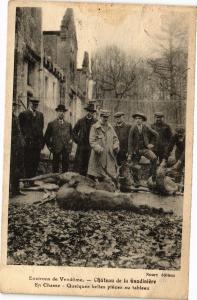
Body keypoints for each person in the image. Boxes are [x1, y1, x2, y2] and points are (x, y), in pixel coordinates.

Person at [87, 110, 119, 181]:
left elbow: (115, 139)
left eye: (107, 117)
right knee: (95, 175)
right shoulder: (94, 127)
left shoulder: (110, 127)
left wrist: (115, 146)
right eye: (104, 117)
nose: (106, 119)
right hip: (98, 156)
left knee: (108, 175)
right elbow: (92, 141)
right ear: (100, 116)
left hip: (109, 155)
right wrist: (98, 148)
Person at [128, 112, 158, 184]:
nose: (138, 120)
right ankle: (136, 181)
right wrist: (130, 154)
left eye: (139, 119)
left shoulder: (146, 127)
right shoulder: (132, 128)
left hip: (145, 149)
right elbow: (130, 142)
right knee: (134, 165)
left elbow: (156, 135)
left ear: (142, 120)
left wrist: (151, 144)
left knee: (154, 158)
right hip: (136, 151)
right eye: (136, 119)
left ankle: (152, 178)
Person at [19, 97, 44, 178]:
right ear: (30, 103)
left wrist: (41, 143)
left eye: (36, 104)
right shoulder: (24, 114)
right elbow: (20, 129)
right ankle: (27, 179)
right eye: (33, 104)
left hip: (37, 145)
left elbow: (41, 130)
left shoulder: (40, 115)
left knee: (35, 162)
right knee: (27, 161)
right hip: (28, 143)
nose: (35, 105)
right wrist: (23, 140)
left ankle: (32, 180)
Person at [44, 104, 72, 173]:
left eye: (63, 111)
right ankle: (55, 181)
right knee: (55, 166)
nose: (61, 113)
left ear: (64, 113)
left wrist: (70, 144)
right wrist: (50, 147)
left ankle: (64, 180)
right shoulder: (52, 124)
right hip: (56, 148)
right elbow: (46, 137)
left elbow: (71, 135)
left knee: (65, 166)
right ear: (57, 112)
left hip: (65, 148)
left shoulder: (68, 125)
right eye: (60, 111)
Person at [72, 102, 97, 176]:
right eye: (89, 111)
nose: (90, 113)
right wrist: (78, 140)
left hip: (90, 147)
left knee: (89, 165)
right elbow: (74, 132)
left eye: (92, 112)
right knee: (80, 165)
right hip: (81, 146)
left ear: (93, 113)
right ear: (87, 111)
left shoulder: (96, 122)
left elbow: (99, 134)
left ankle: (87, 181)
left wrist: (95, 143)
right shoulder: (81, 121)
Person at [10, 100, 25, 196]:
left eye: (14, 106)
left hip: (16, 147)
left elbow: (19, 132)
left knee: (16, 169)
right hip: (10, 147)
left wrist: (21, 143)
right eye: (11, 106)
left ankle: (16, 190)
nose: (13, 108)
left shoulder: (15, 117)